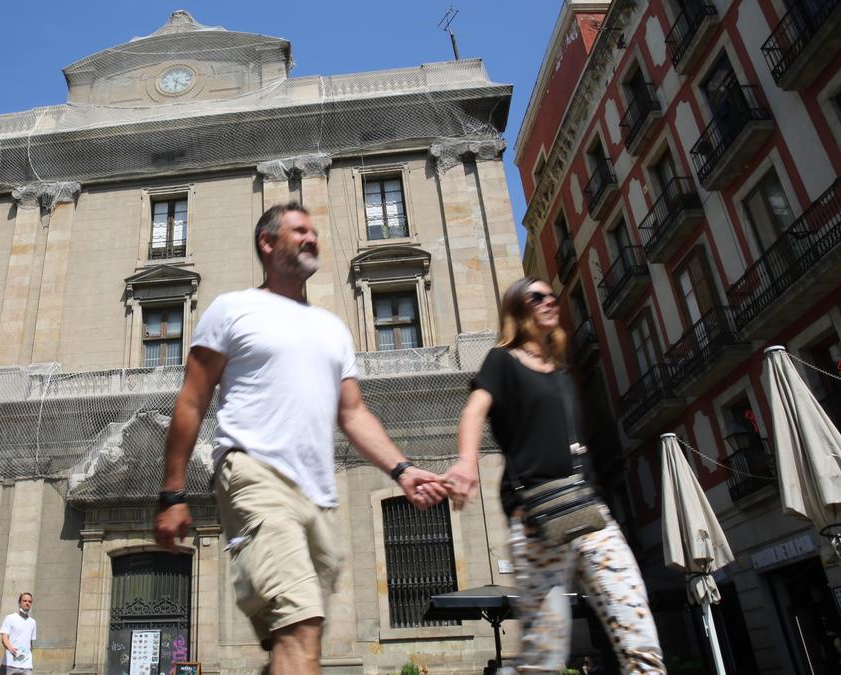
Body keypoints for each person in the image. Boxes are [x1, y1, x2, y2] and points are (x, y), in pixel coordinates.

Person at [154, 201, 449, 674]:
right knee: (300, 625)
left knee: (295, 641)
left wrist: (403, 469)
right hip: (253, 474)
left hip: (318, 497)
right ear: (267, 243)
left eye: (314, 231)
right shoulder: (233, 309)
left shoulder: (331, 328)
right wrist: (172, 493)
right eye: (299, 231)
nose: (312, 238)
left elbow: (352, 413)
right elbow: (191, 401)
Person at [444, 277, 665, 674]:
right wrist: (465, 462)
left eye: (553, 296)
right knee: (544, 652)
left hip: (589, 511)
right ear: (518, 310)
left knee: (635, 624)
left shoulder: (561, 370)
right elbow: (474, 409)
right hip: (535, 516)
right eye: (538, 297)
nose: (551, 302)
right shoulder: (503, 361)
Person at [0, 592, 37, 675]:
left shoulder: (32, 622)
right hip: (10, 664)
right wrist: (11, 649)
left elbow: (30, 643)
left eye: (29, 602)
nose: (27, 603)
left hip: (26, 666)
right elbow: (4, 638)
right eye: (25, 601)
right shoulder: (10, 618)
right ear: (19, 603)